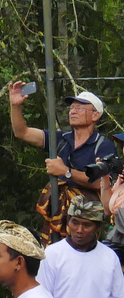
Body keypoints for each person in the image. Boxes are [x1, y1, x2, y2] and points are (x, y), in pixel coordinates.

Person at [10, 83, 117, 237]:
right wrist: (15, 106)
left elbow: (104, 184)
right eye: (71, 108)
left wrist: (66, 172)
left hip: (85, 220)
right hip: (57, 212)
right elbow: (23, 133)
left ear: (95, 115)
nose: (73, 111)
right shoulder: (60, 139)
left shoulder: (102, 146)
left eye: (79, 108)